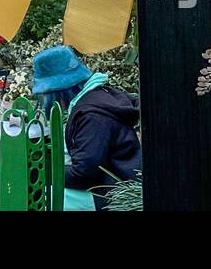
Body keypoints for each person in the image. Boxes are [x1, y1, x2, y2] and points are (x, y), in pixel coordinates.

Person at [32, 45, 141, 211]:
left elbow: (84, 173)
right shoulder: (98, 97)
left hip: (111, 194)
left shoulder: (92, 115)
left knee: (43, 197)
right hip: (113, 183)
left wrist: (40, 173)